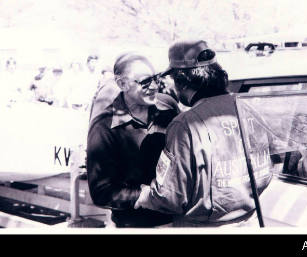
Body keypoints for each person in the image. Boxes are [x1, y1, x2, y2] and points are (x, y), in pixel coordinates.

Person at [134, 40, 273, 227]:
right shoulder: (250, 110)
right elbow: (268, 169)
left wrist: (145, 196)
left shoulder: (186, 124)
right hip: (252, 222)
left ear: (182, 81)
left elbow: (170, 196)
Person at [86, 52, 180, 227]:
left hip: (179, 219)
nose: (154, 86)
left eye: (156, 78)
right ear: (122, 84)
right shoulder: (104, 127)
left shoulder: (168, 107)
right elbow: (101, 191)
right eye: (145, 81)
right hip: (135, 224)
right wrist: (145, 196)